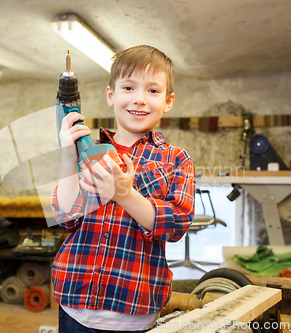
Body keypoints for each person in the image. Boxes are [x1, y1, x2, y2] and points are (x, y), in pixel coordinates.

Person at [50, 45, 196, 333]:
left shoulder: (175, 159)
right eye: (128, 87)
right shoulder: (88, 150)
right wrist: (69, 155)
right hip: (74, 306)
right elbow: (66, 217)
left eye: (153, 91)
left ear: (168, 101)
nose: (139, 99)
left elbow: (176, 225)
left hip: (135, 310)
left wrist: (124, 195)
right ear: (111, 95)